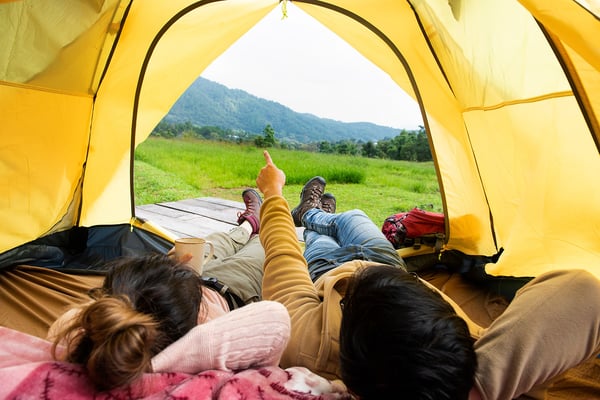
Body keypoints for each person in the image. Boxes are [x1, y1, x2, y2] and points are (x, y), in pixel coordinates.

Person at [255, 150, 600, 400]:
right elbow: (586, 293)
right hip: (387, 265)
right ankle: (317, 212)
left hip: (328, 272)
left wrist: (273, 193)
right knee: (353, 217)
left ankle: (311, 213)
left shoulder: (303, 342)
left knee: (315, 239)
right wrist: (476, 387)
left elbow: (283, 254)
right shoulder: (460, 360)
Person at [48, 189, 291, 391]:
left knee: (219, 240)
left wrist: (172, 271)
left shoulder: (101, 335)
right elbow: (274, 318)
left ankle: (249, 223)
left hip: (187, 285)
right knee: (262, 244)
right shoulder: (205, 336)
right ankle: (271, 222)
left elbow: (65, 325)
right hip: (231, 286)